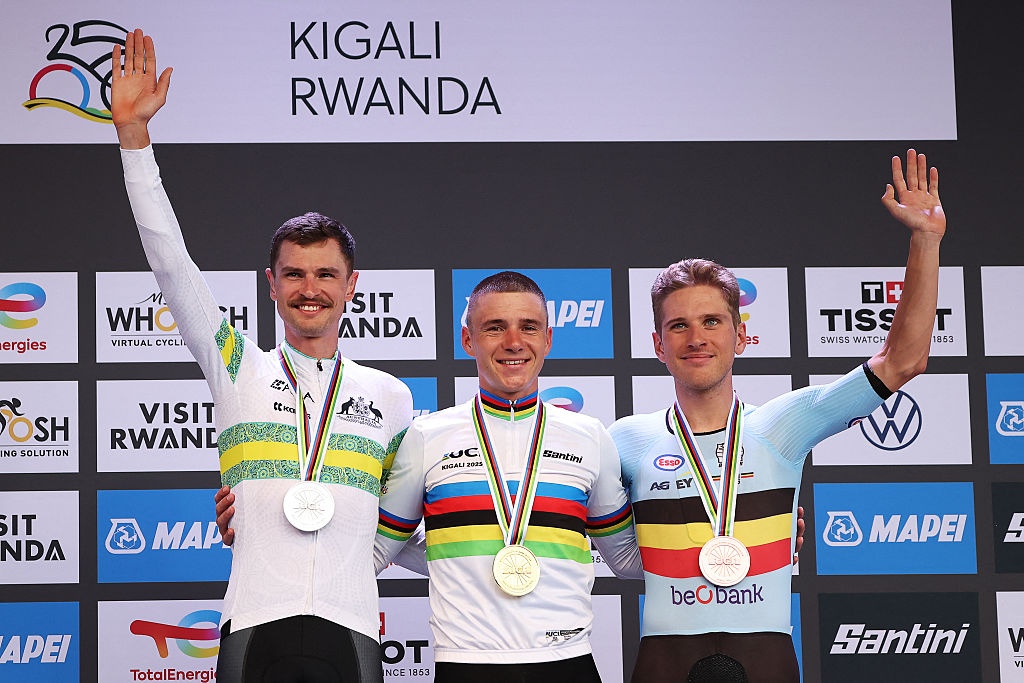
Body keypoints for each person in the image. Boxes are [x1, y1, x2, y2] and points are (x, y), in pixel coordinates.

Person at [112, 29, 415, 682]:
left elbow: (405, 532)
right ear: (272, 283)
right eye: (295, 274)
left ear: (351, 285)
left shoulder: (391, 396)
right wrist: (134, 140)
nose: (311, 289)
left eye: (326, 274)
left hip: (354, 631)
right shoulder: (237, 365)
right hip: (253, 626)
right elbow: (172, 264)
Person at [609, 150, 945, 683]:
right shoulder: (623, 440)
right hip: (661, 664)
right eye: (678, 326)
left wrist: (925, 241)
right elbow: (554, 523)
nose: (696, 337)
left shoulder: (784, 424)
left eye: (713, 321)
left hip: (767, 662)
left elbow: (902, 361)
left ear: (741, 335)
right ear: (657, 344)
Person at [372, 271, 640, 682]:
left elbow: (624, 560)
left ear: (548, 339)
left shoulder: (589, 436)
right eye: (495, 328)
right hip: (465, 664)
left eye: (528, 327)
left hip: (567, 662)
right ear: (468, 340)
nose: (514, 342)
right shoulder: (427, 436)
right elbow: (377, 550)